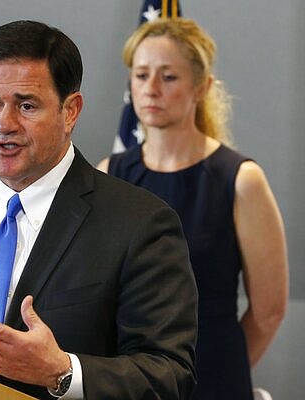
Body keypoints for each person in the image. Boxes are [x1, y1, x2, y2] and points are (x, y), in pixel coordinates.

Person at [0, 20, 198, 399]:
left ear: (70, 111)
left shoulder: (140, 224)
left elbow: (169, 375)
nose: (4, 124)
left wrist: (62, 373)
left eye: (26, 105)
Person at [97, 18, 289, 400]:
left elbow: (268, 311)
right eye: (141, 75)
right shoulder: (109, 175)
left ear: (202, 87)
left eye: (168, 77)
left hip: (215, 372)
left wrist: (222, 371)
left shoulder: (240, 179)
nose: (150, 89)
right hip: (131, 378)